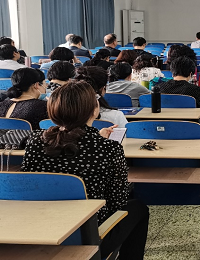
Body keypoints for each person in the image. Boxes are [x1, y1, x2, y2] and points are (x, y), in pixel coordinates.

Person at [21, 81, 149, 259]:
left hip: (41, 230)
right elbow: (117, 202)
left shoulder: (34, 142)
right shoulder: (108, 148)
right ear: (94, 110)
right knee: (138, 208)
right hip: (88, 236)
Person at [158, 57, 200, 122]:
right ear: (190, 74)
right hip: (189, 126)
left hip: (163, 125)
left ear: (172, 73)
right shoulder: (195, 90)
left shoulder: (159, 88)